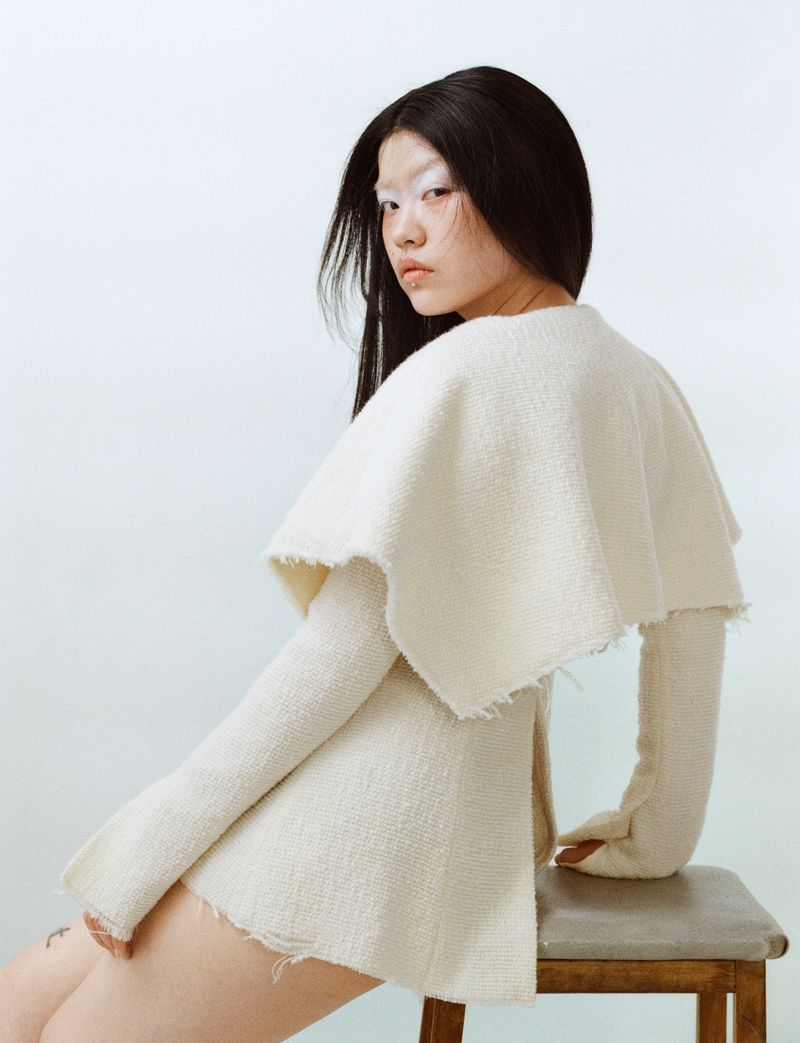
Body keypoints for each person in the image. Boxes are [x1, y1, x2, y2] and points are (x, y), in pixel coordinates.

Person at [1, 66, 747, 1041]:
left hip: (363, 835)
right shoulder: (642, 384)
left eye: (435, 191)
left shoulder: (466, 370)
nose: (401, 229)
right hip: (410, 826)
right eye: (387, 202)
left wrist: (152, 839)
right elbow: (690, 629)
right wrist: (655, 832)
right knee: (24, 1001)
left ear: (520, 178)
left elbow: (336, 657)